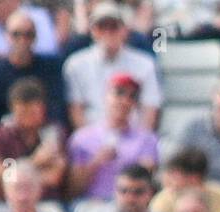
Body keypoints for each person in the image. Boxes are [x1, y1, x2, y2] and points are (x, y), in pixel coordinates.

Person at [63, 2, 161, 130]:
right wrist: (89, 142)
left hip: (133, 136)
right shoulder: (75, 64)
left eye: (114, 27)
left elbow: (150, 109)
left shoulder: (145, 64)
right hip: (91, 138)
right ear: (93, 31)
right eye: (102, 27)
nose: (108, 32)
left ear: (125, 30)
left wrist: (137, 144)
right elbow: (75, 110)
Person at [65, 72, 158, 201]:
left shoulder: (147, 139)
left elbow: (147, 184)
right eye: (119, 93)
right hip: (92, 202)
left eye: (132, 96)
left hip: (129, 205)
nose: (125, 101)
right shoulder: (82, 138)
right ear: (106, 96)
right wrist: (96, 162)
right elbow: (72, 190)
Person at [0, 9, 68, 130]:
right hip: (8, 134)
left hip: (44, 132)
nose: (22, 40)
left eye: (28, 34)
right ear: (6, 36)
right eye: (16, 34)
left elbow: (58, 110)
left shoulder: (51, 67)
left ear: (35, 37)